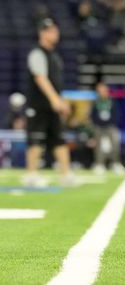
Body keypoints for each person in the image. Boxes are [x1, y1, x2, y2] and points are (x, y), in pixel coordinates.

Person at [22, 18, 76, 188]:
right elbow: (41, 78)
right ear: (42, 33)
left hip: (53, 106)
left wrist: (60, 101)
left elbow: (56, 82)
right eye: (50, 31)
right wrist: (55, 100)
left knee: (59, 139)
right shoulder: (37, 53)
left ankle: (66, 174)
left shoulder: (54, 56)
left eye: (55, 30)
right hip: (39, 105)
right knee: (36, 140)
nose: (54, 34)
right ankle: (31, 175)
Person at [91, 81, 125, 174]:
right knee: (98, 146)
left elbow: (116, 114)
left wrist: (112, 123)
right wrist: (97, 123)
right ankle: (99, 164)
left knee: (115, 145)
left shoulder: (112, 101)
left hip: (111, 126)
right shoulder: (96, 102)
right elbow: (93, 115)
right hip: (99, 126)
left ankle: (116, 163)